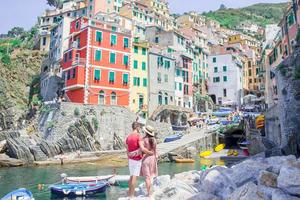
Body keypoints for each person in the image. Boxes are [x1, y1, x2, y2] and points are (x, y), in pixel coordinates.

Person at [126, 122, 153, 198]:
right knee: (134, 177)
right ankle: (132, 196)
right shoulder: (138, 136)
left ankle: (130, 194)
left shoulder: (128, 137)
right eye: (139, 127)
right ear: (137, 127)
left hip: (130, 159)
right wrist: (150, 153)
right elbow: (142, 148)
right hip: (137, 160)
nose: (140, 129)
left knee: (131, 176)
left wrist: (129, 157)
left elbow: (127, 151)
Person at [140, 125, 158, 197]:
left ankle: (149, 194)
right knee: (152, 176)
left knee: (147, 177)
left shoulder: (143, 139)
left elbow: (142, 149)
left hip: (146, 159)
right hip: (153, 158)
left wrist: (147, 153)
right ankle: (151, 192)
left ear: (145, 132)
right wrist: (155, 157)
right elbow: (156, 151)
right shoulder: (154, 140)